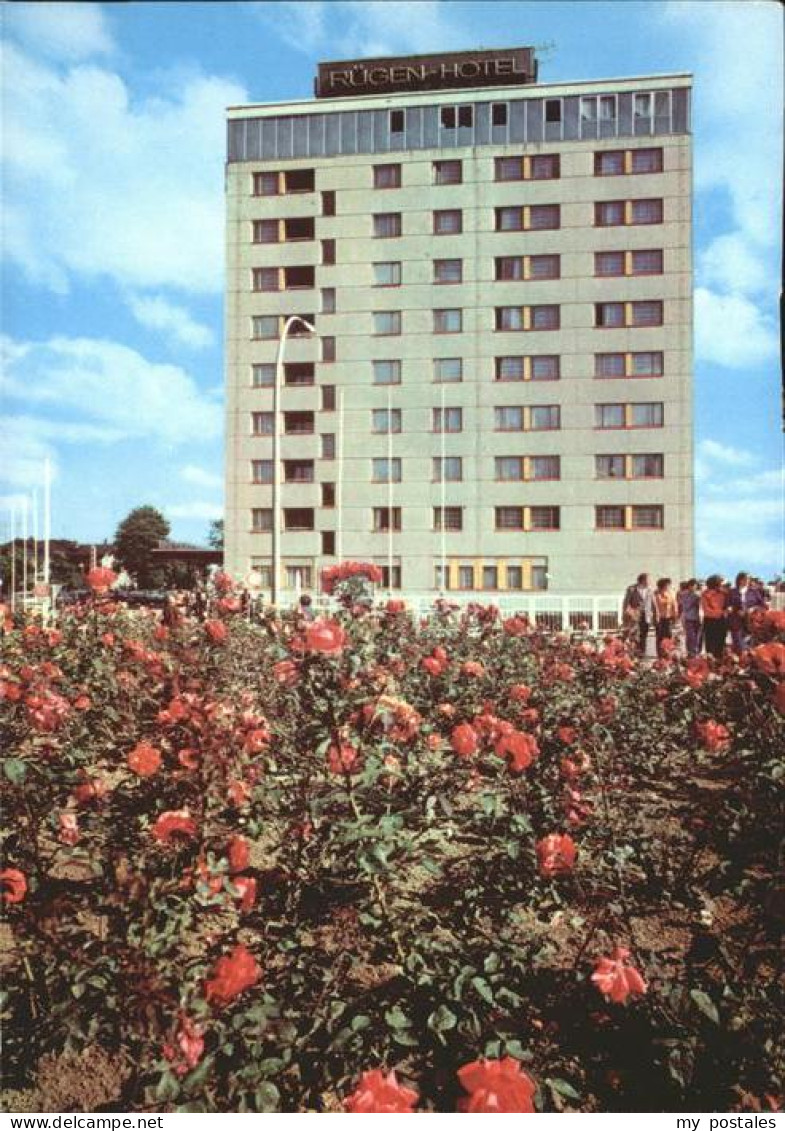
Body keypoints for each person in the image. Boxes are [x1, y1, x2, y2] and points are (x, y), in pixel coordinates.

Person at [622, 573, 658, 655]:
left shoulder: (650, 589)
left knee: (644, 634)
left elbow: (654, 603)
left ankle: (642, 652)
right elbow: (626, 603)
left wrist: (656, 614)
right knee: (634, 634)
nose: (650, 581)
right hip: (634, 616)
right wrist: (625, 615)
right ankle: (633, 652)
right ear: (642, 580)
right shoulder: (632, 589)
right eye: (648, 580)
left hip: (646, 616)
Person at [701, 574, 728, 660]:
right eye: (720, 583)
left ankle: (719, 662)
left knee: (721, 642)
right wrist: (721, 612)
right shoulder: (705, 594)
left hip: (721, 621)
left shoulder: (724, 593)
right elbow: (707, 610)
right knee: (710, 644)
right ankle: (710, 663)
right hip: (710, 620)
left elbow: (728, 605)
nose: (722, 585)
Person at [727, 571, 753, 655]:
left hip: (750, 621)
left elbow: (762, 605)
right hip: (735, 619)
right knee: (737, 641)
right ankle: (740, 659)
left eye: (748, 579)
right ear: (740, 580)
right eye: (745, 579)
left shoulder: (753, 592)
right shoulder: (732, 591)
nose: (747, 581)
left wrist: (752, 609)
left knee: (747, 640)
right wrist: (734, 610)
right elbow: (727, 604)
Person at [678, 578, 702, 657]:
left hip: (698, 618)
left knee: (698, 637)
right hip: (689, 618)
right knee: (690, 636)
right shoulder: (684, 595)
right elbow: (684, 606)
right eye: (692, 586)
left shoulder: (699, 594)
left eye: (695, 586)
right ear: (689, 586)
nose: (693, 587)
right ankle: (690, 652)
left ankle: (696, 652)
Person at [654, 577, 677, 657]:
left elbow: (674, 605)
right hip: (659, 618)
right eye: (667, 585)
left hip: (668, 617)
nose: (669, 586)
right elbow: (657, 605)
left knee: (669, 635)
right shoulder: (656, 594)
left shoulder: (671, 593)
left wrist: (675, 616)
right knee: (660, 636)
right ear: (663, 585)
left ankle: (668, 653)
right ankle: (660, 653)